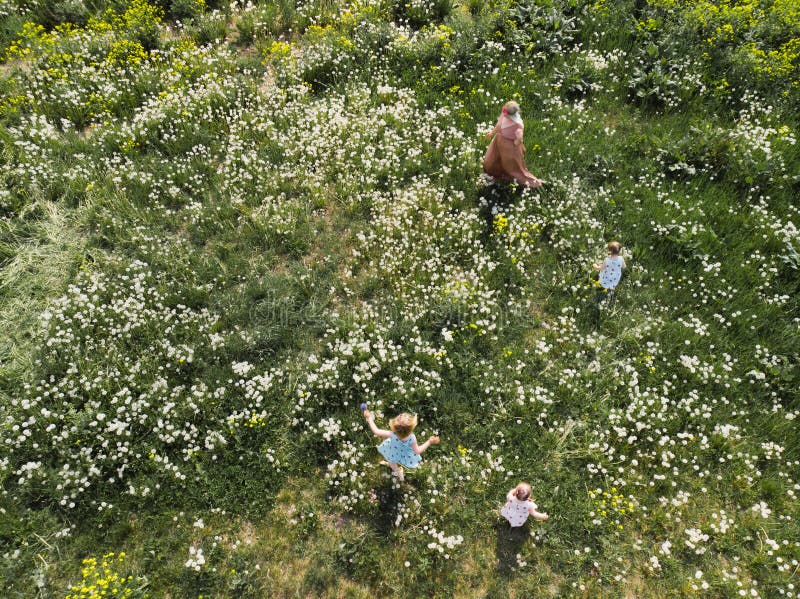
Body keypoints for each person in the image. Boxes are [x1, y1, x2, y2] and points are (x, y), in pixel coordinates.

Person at [363, 410, 440, 481]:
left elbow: (376, 431)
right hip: (404, 455)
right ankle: (400, 477)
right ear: (411, 428)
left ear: (394, 426)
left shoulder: (392, 434)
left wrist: (369, 418)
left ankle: (399, 474)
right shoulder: (412, 438)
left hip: (392, 453)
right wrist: (429, 442)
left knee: (392, 463)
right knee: (393, 462)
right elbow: (417, 451)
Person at [482, 101, 542, 188]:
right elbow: (498, 126)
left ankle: (529, 182)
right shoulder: (504, 114)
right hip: (498, 140)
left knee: (511, 166)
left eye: (505, 113)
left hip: (510, 146)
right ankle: (493, 172)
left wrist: (517, 139)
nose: (503, 114)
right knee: (492, 158)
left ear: (511, 115)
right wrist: (491, 133)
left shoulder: (517, 124)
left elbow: (518, 140)